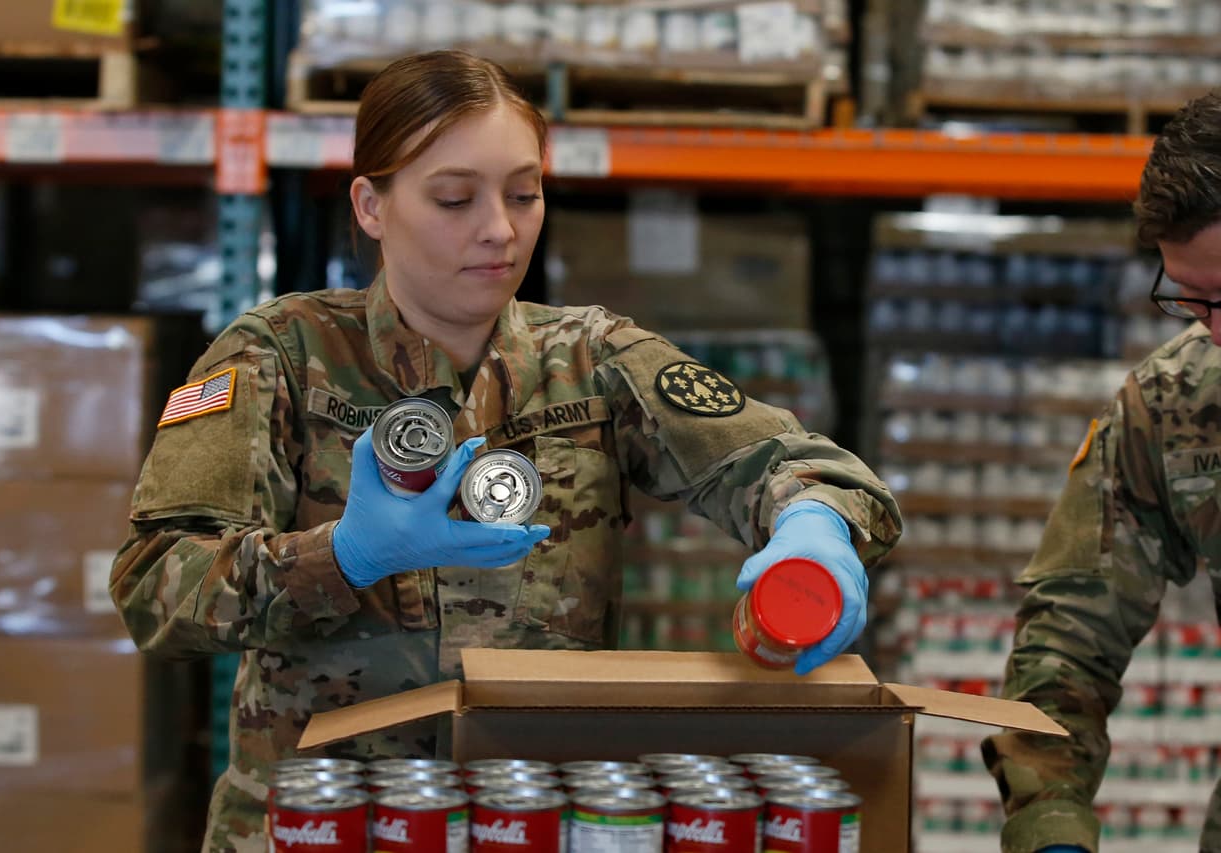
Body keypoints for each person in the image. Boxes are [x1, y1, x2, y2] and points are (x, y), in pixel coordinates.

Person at [110, 50, 901, 852]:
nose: (500, 228)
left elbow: (795, 463)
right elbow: (154, 587)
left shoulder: (592, 359)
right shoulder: (281, 355)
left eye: (525, 194)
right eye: (454, 197)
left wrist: (814, 524)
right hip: (318, 826)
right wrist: (339, 558)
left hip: (532, 823)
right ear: (371, 205)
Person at [983, 91, 1221, 853]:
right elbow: (1071, 633)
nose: (1217, 330)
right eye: (1193, 300)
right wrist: (1049, 819)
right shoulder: (1176, 403)